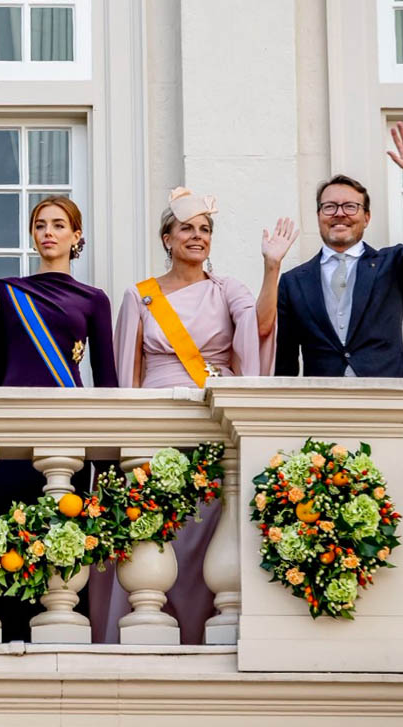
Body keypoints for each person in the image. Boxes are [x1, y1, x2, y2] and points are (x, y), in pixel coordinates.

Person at [104, 187, 297, 644]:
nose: (197, 236)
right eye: (186, 228)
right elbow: (128, 373)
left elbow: (260, 328)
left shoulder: (227, 289)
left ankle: (205, 631)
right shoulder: (141, 296)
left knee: (210, 534)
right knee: (155, 531)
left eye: (205, 229)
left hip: (211, 423)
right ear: (167, 239)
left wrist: (271, 267)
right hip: (157, 424)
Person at [0, 195, 117, 640]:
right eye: (40, 225)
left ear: (76, 236)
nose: (48, 232)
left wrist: (108, 463)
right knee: (2, 549)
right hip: (8, 441)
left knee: (58, 552)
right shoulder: (6, 291)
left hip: (65, 440)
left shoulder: (94, 300)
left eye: (58, 224)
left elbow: (108, 382)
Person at [276, 121, 403, 377]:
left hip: (388, 395)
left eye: (350, 207)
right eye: (329, 207)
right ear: (319, 216)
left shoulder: (393, 265)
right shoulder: (293, 282)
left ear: (366, 218)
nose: (340, 214)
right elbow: (285, 361)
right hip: (324, 399)